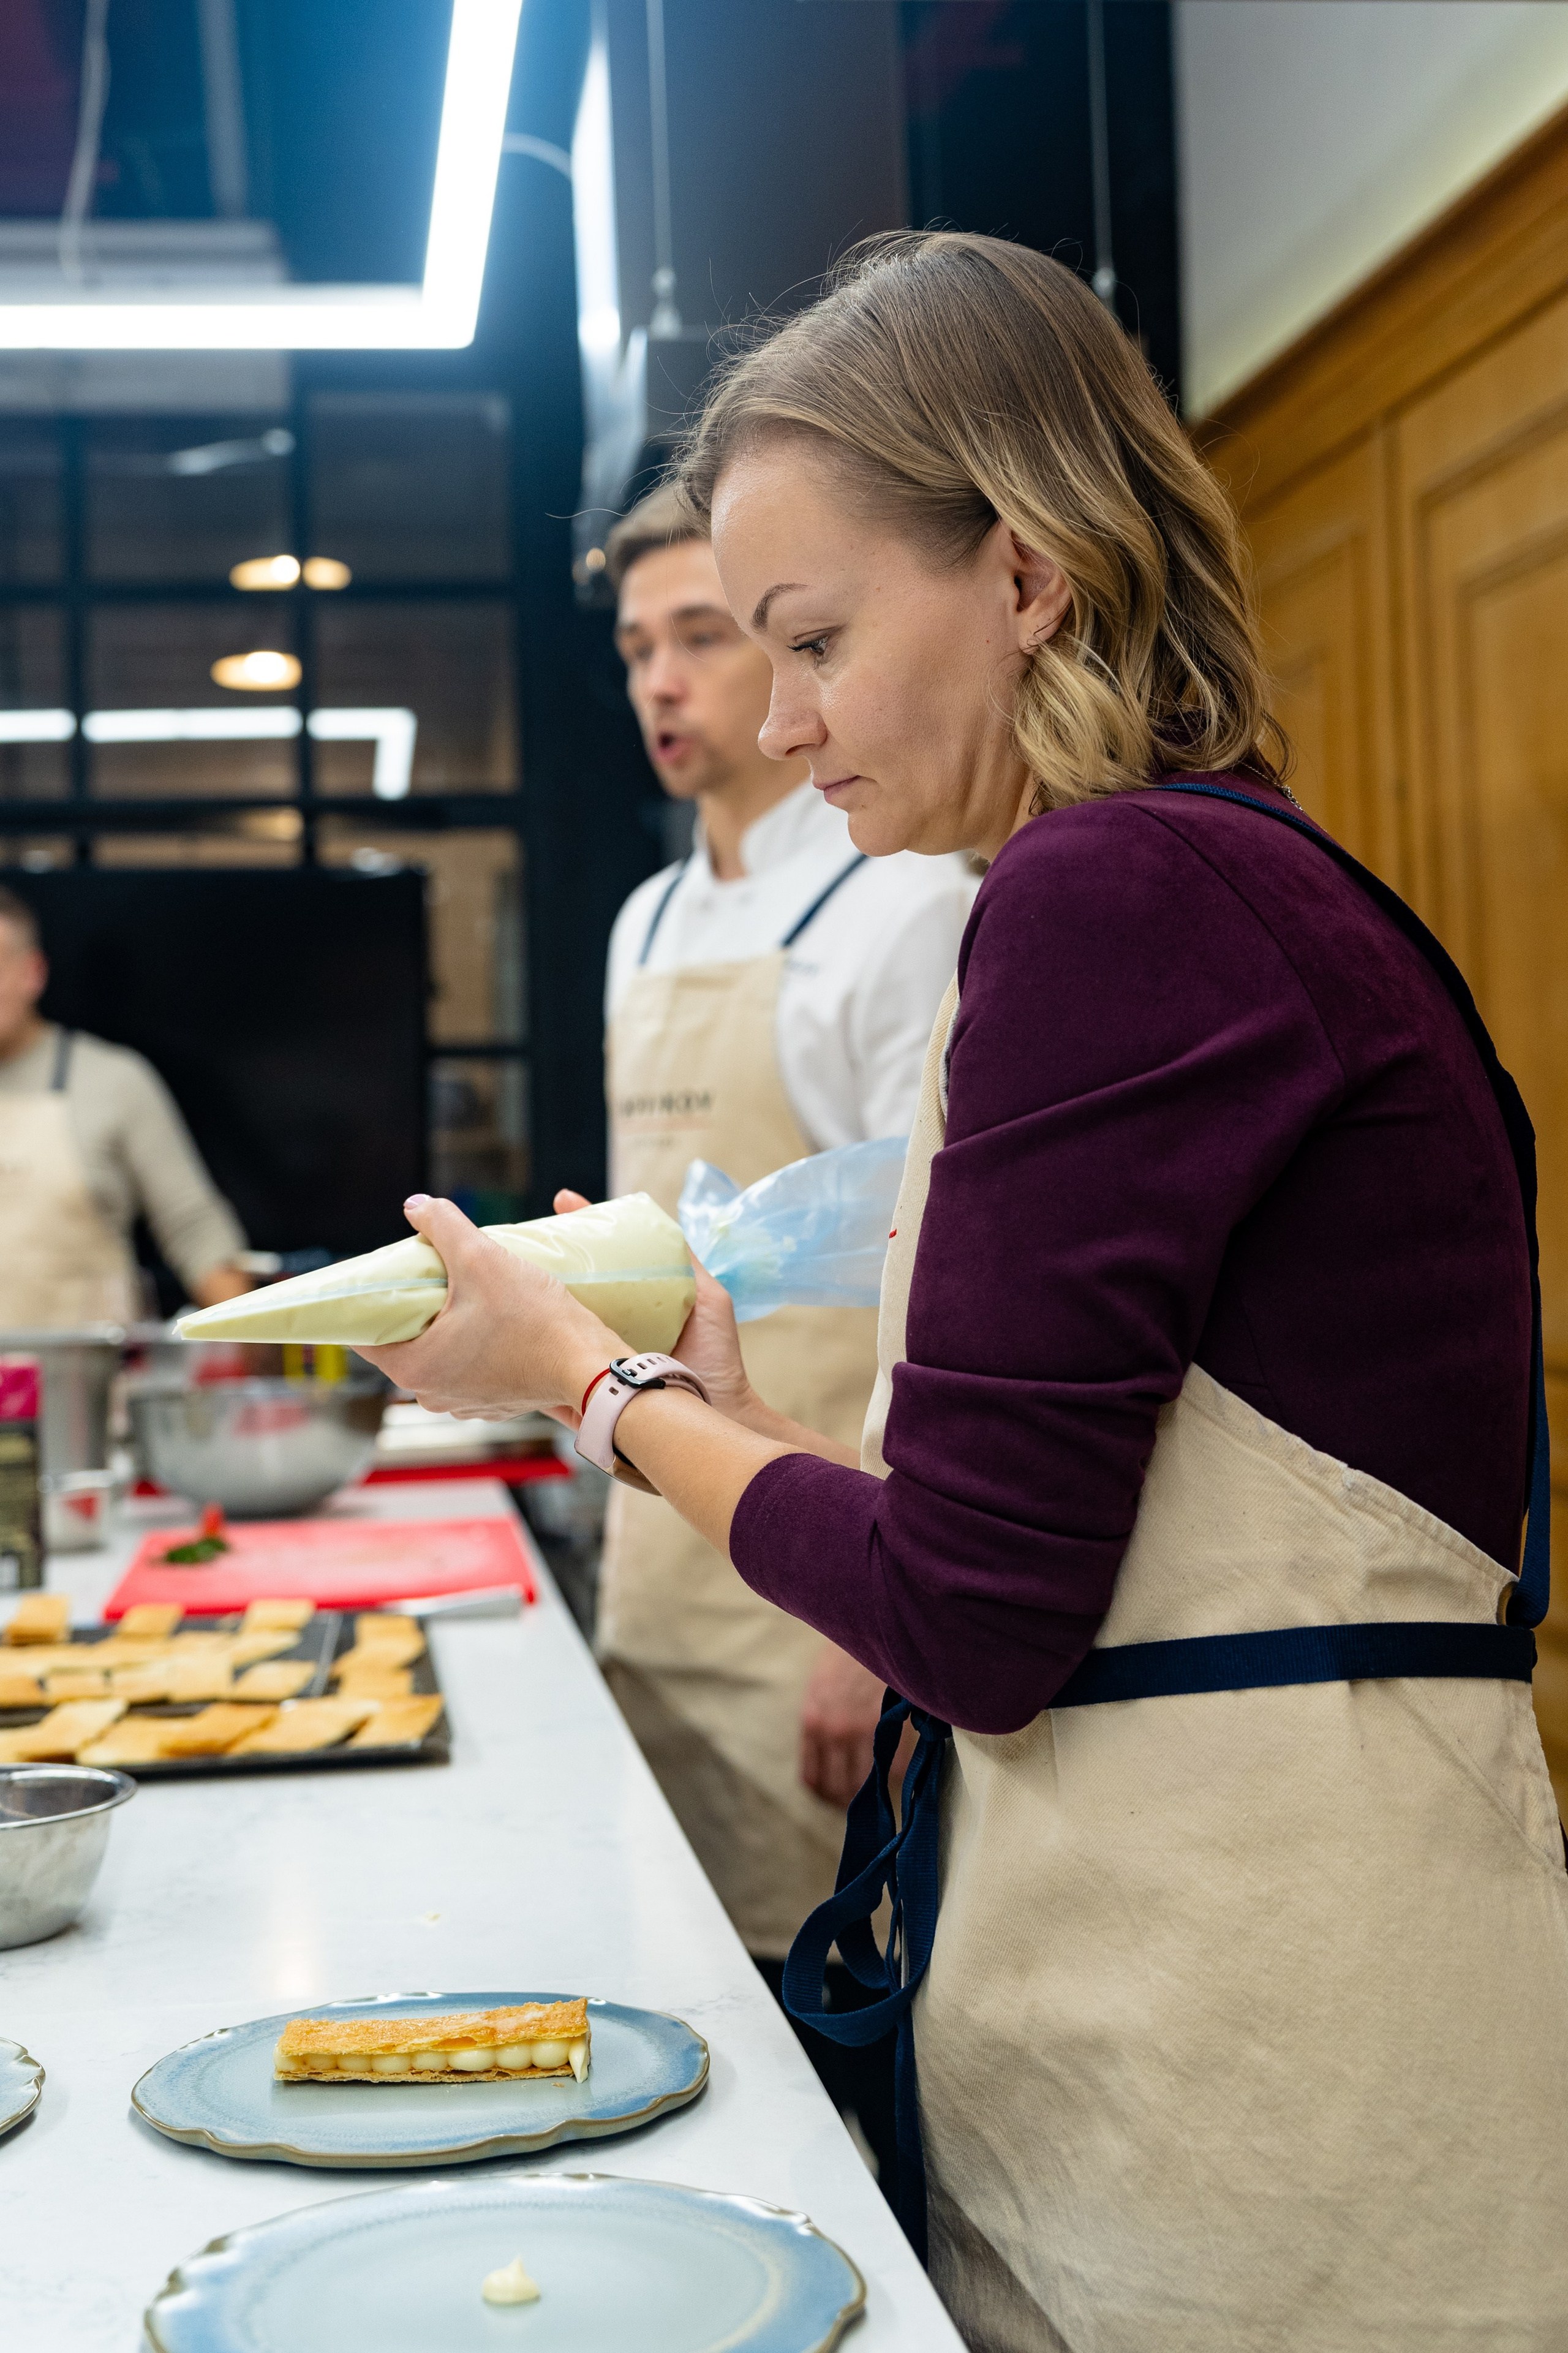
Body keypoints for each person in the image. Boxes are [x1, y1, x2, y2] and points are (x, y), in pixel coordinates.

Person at [360, 231, 1568, 2350]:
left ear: (1025, 575)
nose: (780, 716)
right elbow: (1070, 1532)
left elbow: (974, 1620)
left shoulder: (1114, 896)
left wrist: (599, 1386)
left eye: (811, 636)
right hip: (1245, 1996)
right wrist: (719, 1413)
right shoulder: (1200, 869)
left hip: (1259, 2051)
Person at [596, 484, 973, 2151]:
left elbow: (939, 1290)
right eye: (634, 651)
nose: (663, 684)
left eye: (703, 637)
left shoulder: (907, 905)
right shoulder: (643, 922)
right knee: (668, 2019)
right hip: (659, 1555)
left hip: (816, 1570)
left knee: (828, 2051)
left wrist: (860, 1622)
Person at [0, 886, 251, 1326]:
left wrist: (252, 1335)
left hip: (84, 1386)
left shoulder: (114, 1079)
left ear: (33, 972)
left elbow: (192, 1224)